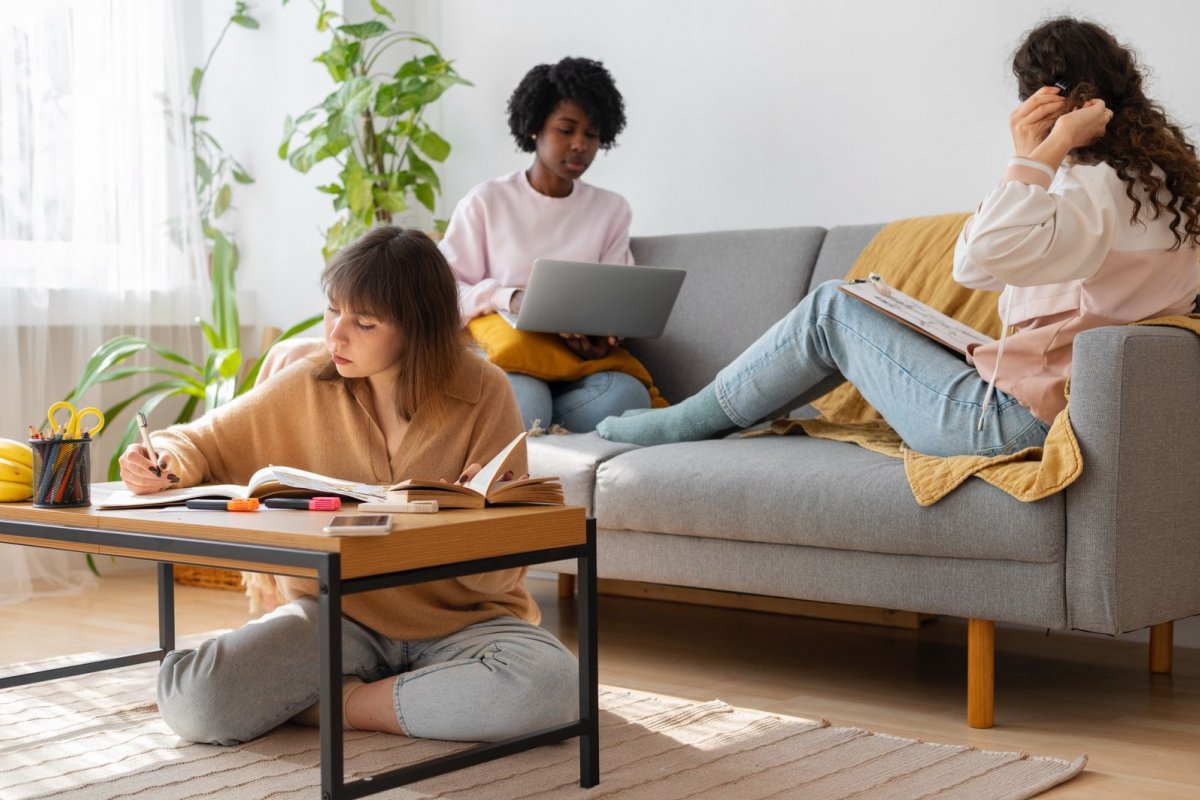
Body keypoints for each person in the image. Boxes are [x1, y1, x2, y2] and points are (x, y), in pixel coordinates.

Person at [598, 17, 1200, 457]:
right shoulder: (1163, 187)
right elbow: (994, 267)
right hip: (1047, 403)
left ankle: (679, 424)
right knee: (868, 300)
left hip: (1015, 422)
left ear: (1048, 102)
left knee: (833, 308)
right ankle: (702, 420)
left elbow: (976, 261)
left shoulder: (1094, 187)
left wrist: (1042, 150)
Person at [119, 227, 577, 745]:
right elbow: (198, 441)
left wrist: (474, 522)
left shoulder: (484, 391)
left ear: (417, 329)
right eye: (333, 310)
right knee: (195, 701)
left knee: (552, 687)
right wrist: (158, 460)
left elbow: (500, 578)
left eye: (363, 323)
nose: (336, 336)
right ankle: (418, 701)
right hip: (338, 615)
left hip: (466, 623)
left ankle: (344, 703)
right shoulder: (307, 382)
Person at [440, 56, 651, 432]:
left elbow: (621, 298)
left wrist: (605, 337)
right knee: (527, 397)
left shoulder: (611, 209)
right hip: (505, 358)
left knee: (628, 395)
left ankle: (540, 430)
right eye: (566, 130)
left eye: (591, 134)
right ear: (535, 127)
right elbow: (443, 294)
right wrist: (510, 298)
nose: (580, 145)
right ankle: (533, 436)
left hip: (575, 367)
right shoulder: (486, 201)